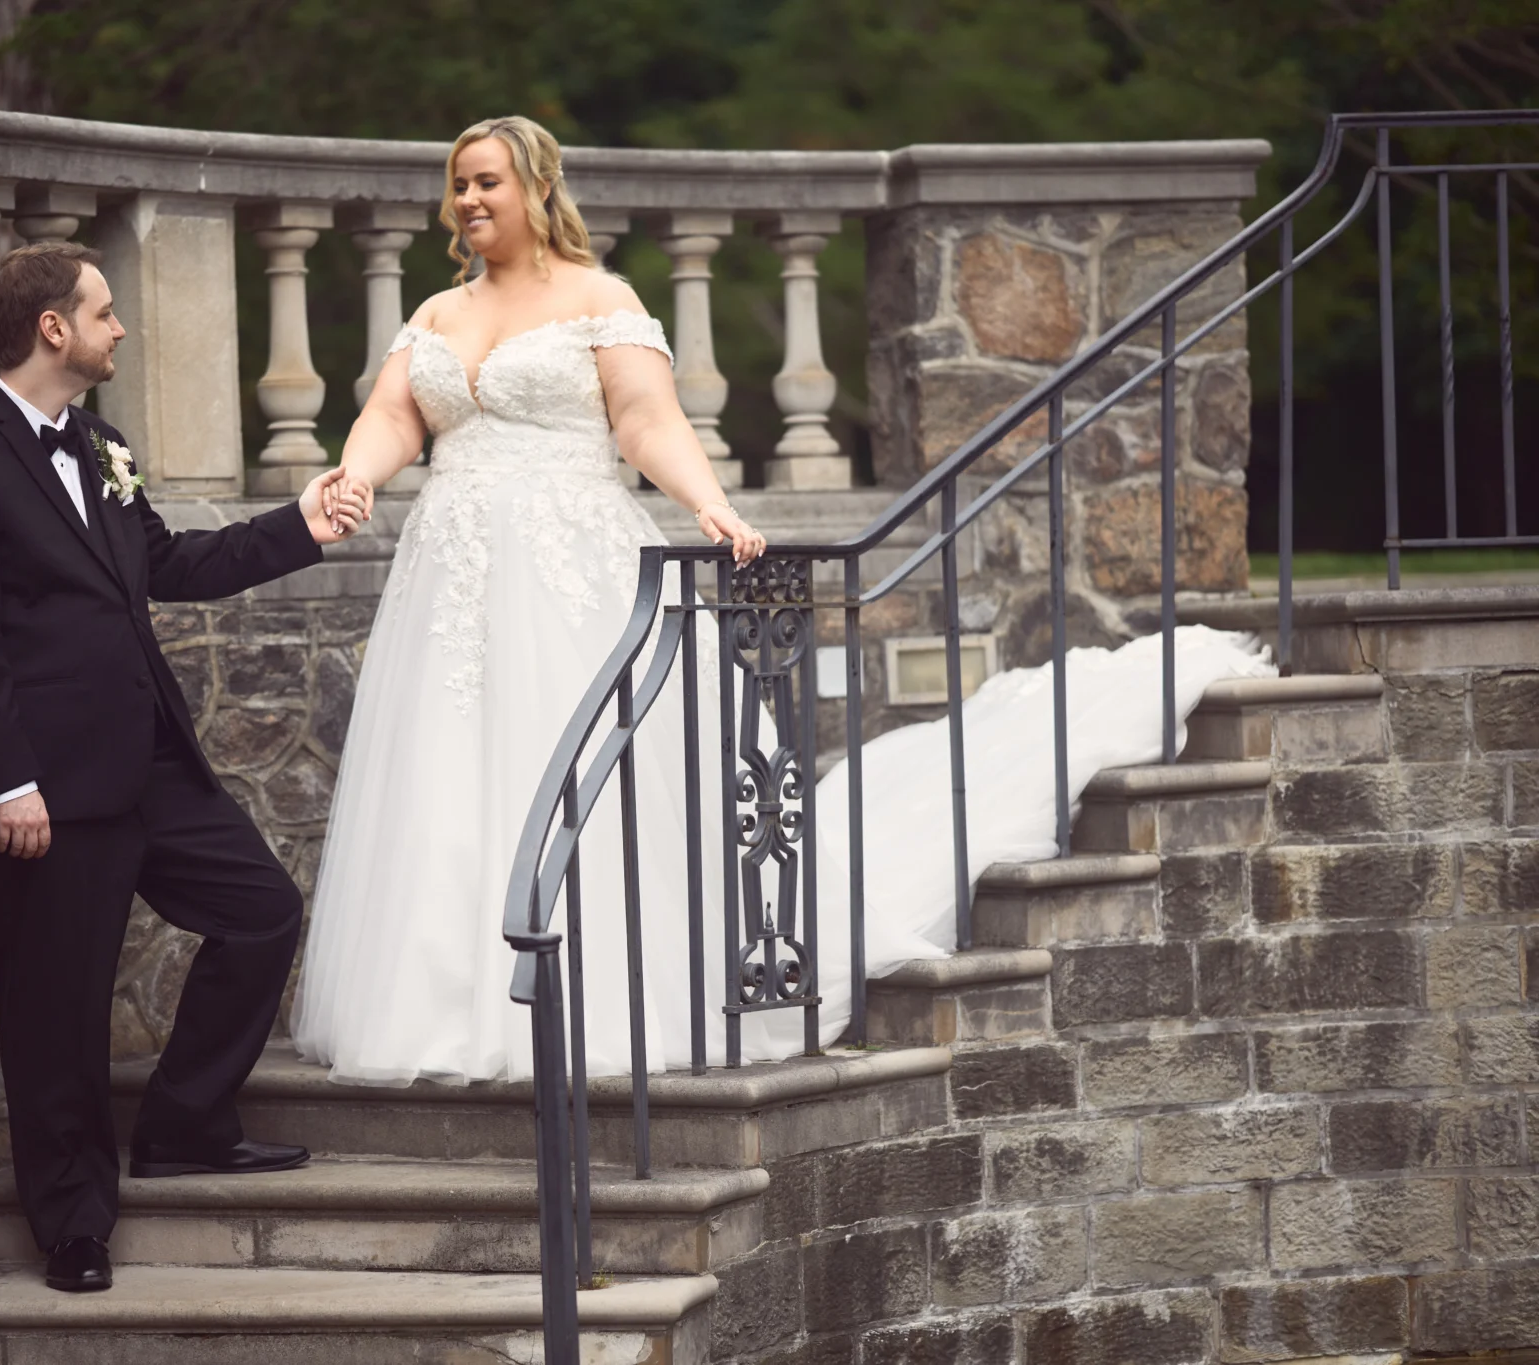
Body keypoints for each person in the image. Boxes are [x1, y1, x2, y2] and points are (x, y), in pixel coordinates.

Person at [291, 115, 1274, 1087]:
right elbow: (394, 413)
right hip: (450, 575)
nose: (468, 199)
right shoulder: (435, 313)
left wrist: (709, 506)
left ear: (537, 189)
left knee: (586, 769)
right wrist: (355, 477)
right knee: (445, 774)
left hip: (570, 570)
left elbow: (646, 422)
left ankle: (609, 1001)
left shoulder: (599, 298)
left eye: (487, 181)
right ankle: (437, 1009)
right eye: (460, 182)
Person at [0, 242, 370, 1293]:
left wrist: (300, 524)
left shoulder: (103, 444)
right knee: (57, 1008)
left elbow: (168, 564)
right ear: (53, 328)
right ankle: (73, 1224)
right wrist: (9, 781)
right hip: (48, 789)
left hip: (149, 759)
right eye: (104, 312)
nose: (120, 328)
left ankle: (184, 1123)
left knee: (262, 911)